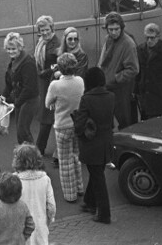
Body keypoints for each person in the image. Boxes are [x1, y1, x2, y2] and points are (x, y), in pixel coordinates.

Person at [74, 67, 114, 224]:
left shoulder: (86, 99)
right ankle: (89, 202)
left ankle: (104, 214)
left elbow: (79, 126)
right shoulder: (111, 96)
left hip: (92, 145)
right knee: (96, 173)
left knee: (98, 177)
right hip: (106, 142)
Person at [45, 54, 84, 203]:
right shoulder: (80, 81)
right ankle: (80, 188)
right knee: (76, 156)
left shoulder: (56, 85)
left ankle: (70, 194)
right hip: (77, 124)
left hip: (62, 126)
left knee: (65, 161)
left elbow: (47, 103)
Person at [97, 12, 139, 129]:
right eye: (110, 29)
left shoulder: (128, 43)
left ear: (121, 28)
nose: (114, 32)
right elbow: (103, 61)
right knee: (107, 121)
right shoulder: (108, 39)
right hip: (107, 86)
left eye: (116, 29)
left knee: (125, 122)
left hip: (121, 89)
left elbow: (133, 69)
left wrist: (115, 78)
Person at [11, 144, 56, 244]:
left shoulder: (13, 181)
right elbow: (51, 207)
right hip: (40, 227)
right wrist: (47, 222)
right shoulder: (45, 179)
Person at [2, 32, 40, 145]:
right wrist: (3, 96)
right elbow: (9, 82)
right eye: (8, 49)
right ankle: (25, 155)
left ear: (20, 47)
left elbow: (29, 88)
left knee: (23, 131)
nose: (10, 51)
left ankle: (31, 157)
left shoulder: (28, 63)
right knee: (20, 131)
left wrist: (16, 103)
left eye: (13, 48)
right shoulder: (14, 61)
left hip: (30, 100)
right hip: (21, 99)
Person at [0, 173, 35, 244]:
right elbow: (31, 226)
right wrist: (23, 238)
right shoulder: (23, 206)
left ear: (0, 190)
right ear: (19, 190)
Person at [135, 23, 162, 120]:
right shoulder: (140, 50)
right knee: (144, 120)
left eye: (152, 38)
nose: (149, 40)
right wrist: (136, 88)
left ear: (158, 37)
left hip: (158, 95)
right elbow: (137, 72)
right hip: (143, 94)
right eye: (147, 37)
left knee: (155, 123)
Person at [33, 16, 60, 157]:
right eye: (41, 30)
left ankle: (41, 149)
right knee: (48, 116)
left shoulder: (57, 43)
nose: (44, 33)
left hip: (52, 83)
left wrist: (46, 71)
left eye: (46, 29)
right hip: (43, 83)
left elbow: (59, 63)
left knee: (50, 117)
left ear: (52, 28)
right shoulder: (41, 42)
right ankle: (43, 149)